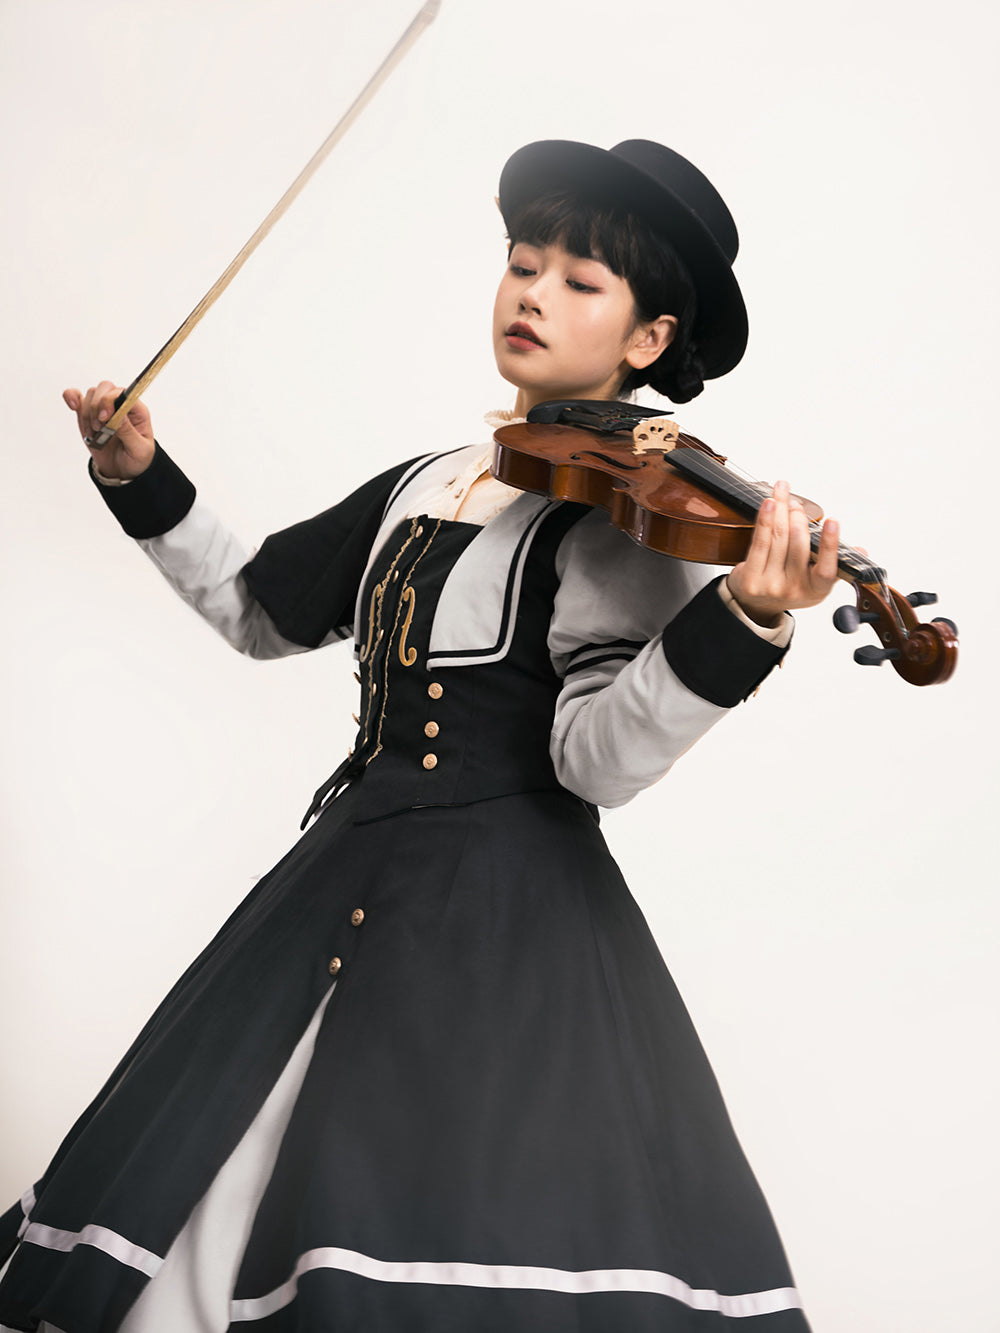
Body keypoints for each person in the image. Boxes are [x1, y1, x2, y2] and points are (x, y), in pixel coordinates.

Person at [0, 139, 839, 1332]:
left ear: (649, 339)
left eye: (579, 281)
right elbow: (258, 607)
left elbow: (594, 762)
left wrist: (741, 619)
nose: (532, 294)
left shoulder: (624, 521)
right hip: (342, 880)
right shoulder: (435, 479)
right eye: (522, 263)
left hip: (503, 930)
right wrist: (143, 474)